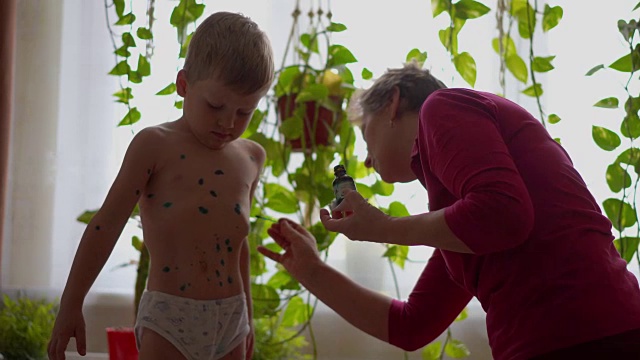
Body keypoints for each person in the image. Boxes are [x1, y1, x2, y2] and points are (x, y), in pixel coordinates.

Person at [258, 63, 640, 359]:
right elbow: (412, 325)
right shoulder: (461, 215)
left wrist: (384, 227)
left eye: (366, 134)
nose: (368, 161)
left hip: (585, 337)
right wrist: (310, 270)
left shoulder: (442, 106)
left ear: (393, 103)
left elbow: (504, 214)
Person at [48, 11, 274, 360]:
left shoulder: (251, 158)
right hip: (170, 318)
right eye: (215, 105)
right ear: (183, 85)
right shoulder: (154, 145)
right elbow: (105, 225)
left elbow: (238, 244)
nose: (229, 122)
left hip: (232, 317)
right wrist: (71, 304)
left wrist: (249, 319)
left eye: (245, 111)